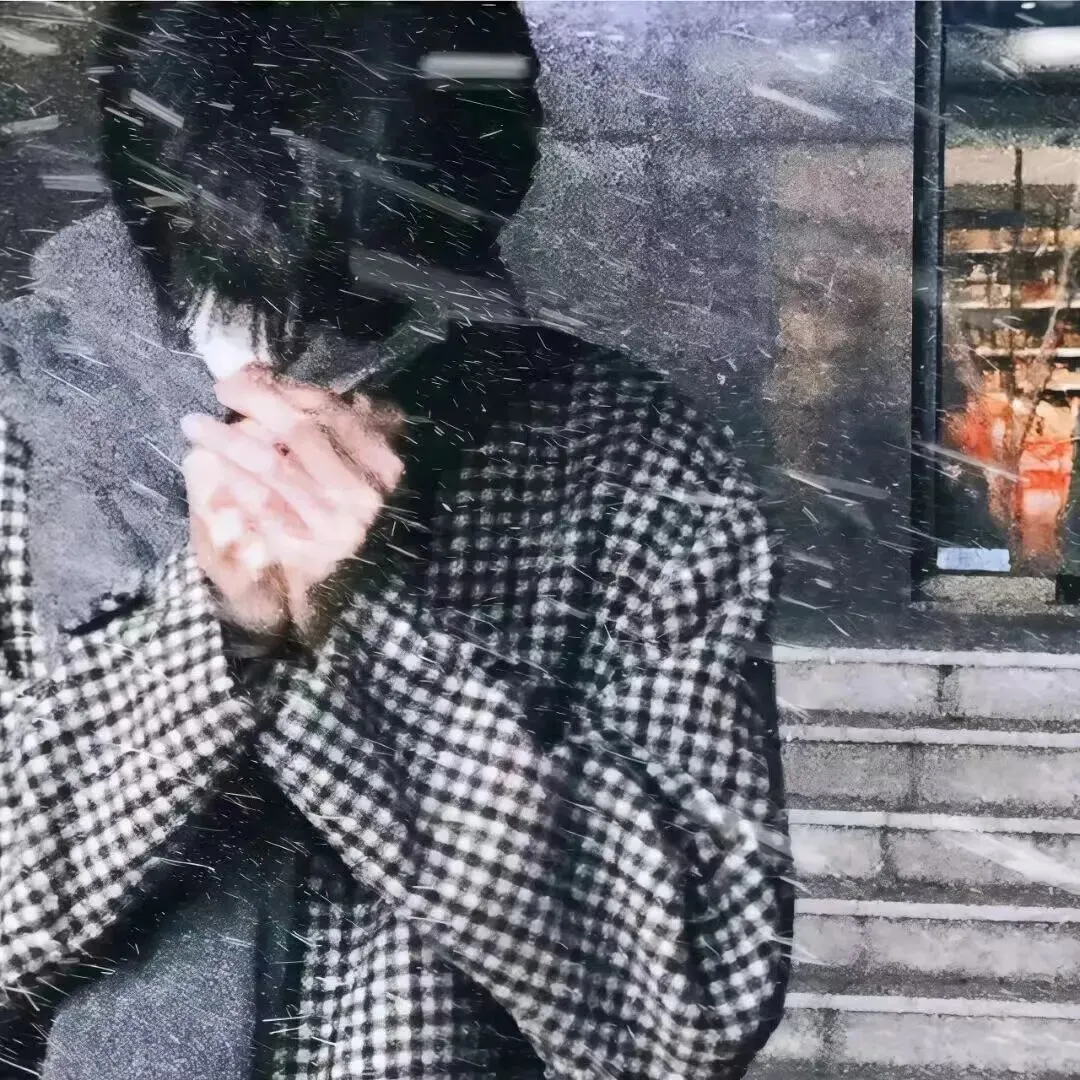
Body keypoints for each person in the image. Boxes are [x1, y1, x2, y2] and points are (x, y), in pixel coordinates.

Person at [0, 4, 793, 1077]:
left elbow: (692, 1006)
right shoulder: (18, 417)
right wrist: (218, 628)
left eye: (385, 305)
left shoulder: (630, 456)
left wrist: (364, 645)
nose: (310, 363)